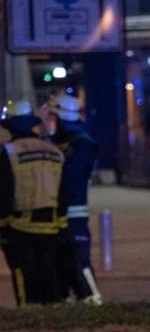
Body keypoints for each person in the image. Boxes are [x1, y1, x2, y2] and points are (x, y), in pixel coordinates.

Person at [42, 92, 101, 305]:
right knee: (61, 262)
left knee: (79, 261)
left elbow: (70, 179)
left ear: (63, 118)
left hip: (74, 214)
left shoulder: (82, 144)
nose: (48, 123)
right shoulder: (59, 142)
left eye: (52, 118)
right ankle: (68, 302)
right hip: (57, 213)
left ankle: (94, 301)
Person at [0, 111, 65, 305]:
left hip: (20, 225)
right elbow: (64, 189)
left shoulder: (9, 152)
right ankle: (53, 308)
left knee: (22, 270)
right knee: (48, 268)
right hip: (51, 223)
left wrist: (2, 223)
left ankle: (28, 310)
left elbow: (5, 191)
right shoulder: (55, 152)